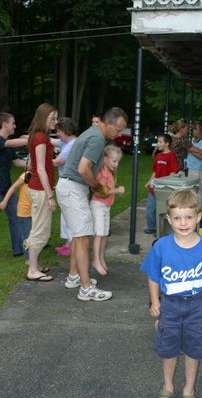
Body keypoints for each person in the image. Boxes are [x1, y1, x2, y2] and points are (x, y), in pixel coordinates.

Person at [141, 189, 202, 398]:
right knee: (168, 348)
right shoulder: (161, 247)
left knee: (194, 348)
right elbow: (153, 276)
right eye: (178, 218)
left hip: (197, 305)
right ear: (169, 219)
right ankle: (168, 385)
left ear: (198, 217)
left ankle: (189, 388)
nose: (183, 223)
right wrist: (155, 301)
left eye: (188, 217)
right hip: (170, 305)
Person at [56, 107, 128, 302]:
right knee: (82, 238)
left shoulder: (93, 133)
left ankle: (74, 277)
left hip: (70, 187)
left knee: (79, 237)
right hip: (73, 188)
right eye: (118, 129)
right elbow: (83, 169)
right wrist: (98, 187)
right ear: (107, 123)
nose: (119, 134)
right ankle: (85, 289)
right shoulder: (97, 139)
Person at [24, 103, 57, 282]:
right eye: (52, 117)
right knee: (40, 230)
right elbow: (42, 169)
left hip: (37, 187)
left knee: (38, 227)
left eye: (56, 117)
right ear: (44, 118)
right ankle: (32, 270)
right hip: (40, 189)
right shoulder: (41, 138)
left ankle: (34, 265)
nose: (55, 121)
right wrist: (50, 195)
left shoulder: (37, 136)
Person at [91, 144, 125, 276]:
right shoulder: (103, 173)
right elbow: (101, 192)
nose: (116, 164)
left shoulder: (109, 172)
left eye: (117, 162)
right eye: (114, 161)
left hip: (105, 206)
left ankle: (100, 258)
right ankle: (96, 260)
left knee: (104, 234)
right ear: (105, 159)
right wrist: (117, 190)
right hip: (98, 205)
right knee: (99, 234)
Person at [0, 112, 28, 256]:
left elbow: (17, 162)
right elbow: (8, 143)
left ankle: (18, 249)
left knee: (17, 215)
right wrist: (31, 139)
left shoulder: (8, 145)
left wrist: (34, 165)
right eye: (13, 123)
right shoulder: (3, 141)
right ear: (5, 124)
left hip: (5, 187)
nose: (15, 126)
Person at [51, 117, 78, 256]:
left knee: (70, 214)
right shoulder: (69, 142)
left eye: (58, 131)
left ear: (64, 131)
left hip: (70, 183)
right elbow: (53, 141)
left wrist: (41, 160)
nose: (57, 134)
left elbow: (57, 162)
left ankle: (72, 244)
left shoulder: (72, 145)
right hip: (68, 181)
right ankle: (69, 243)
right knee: (67, 214)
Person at [144, 134, 179, 235]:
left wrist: (167, 182)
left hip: (164, 189)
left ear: (167, 143)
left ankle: (160, 231)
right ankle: (152, 228)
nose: (158, 144)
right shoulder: (158, 156)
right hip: (154, 188)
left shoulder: (171, 156)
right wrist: (149, 182)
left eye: (160, 142)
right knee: (150, 209)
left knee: (162, 210)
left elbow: (174, 171)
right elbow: (155, 172)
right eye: (158, 141)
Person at [0, 163, 32, 265]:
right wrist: (5, 201)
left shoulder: (39, 176)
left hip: (33, 211)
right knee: (27, 233)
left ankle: (23, 251)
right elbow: (13, 187)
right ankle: (28, 257)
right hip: (24, 210)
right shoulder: (25, 175)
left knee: (30, 232)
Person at [186, 121, 202, 205]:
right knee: (192, 189)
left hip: (198, 168)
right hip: (192, 167)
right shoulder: (194, 141)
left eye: (196, 129)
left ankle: (199, 208)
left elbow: (201, 156)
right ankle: (193, 206)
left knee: (198, 189)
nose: (194, 131)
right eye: (193, 129)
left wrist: (190, 149)